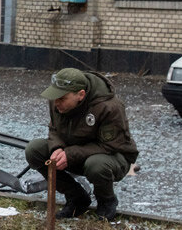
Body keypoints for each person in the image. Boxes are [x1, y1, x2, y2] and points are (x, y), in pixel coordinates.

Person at [25, 67, 138, 221]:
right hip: (74, 154)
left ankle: (106, 202)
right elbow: (54, 129)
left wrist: (70, 154)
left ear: (81, 95)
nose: (56, 102)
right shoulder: (56, 101)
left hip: (113, 157)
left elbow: (110, 146)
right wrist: (57, 148)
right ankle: (77, 198)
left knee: (96, 165)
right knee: (34, 150)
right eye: (55, 97)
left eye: (62, 98)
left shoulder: (109, 107)